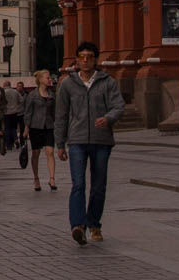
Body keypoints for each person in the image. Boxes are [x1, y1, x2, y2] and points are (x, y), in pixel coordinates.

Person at [55, 41, 125, 246]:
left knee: (98, 186)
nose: (85, 60)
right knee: (78, 184)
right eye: (82, 56)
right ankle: (78, 226)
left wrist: (108, 118)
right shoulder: (68, 84)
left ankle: (94, 224)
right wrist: (60, 143)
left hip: (101, 140)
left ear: (96, 59)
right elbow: (61, 115)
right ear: (77, 59)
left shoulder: (107, 82)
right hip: (76, 140)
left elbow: (118, 106)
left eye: (89, 57)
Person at [24, 69, 58, 192]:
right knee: (36, 153)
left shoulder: (52, 95)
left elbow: (54, 112)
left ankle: (52, 179)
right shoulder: (32, 95)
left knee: (50, 152)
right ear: (40, 80)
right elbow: (28, 112)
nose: (49, 79)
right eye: (47, 78)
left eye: (49, 78)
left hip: (49, 126)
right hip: (35, 127)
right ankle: (36, 178)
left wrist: (57, 126)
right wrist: (26, 128)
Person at [2, 80, 24, 150]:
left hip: (6, 112)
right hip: (15, 112)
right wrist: (16, 104)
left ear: (5, 85)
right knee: (13, 128)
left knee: (7, 129)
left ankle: (9, 144)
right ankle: (15, 139)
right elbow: (21, 100)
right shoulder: (15, 91)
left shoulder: (3, 92)